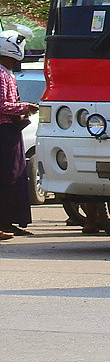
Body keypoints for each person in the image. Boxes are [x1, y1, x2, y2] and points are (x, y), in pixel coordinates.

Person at [0, 28, 38, 240]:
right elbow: (3, 105)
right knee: (6, 177)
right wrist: (24, 108)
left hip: (11, 131)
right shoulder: (1, 74)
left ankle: (10, 221)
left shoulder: (8, 73)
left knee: (15, 176)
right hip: (3, 131)